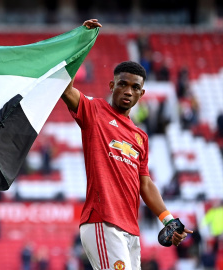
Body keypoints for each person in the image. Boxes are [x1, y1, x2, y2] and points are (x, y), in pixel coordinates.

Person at [60, 19, 193, 270]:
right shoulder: (94, 110)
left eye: (135, 87)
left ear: (142, 94)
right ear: (112, 85)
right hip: (102, 221)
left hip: (131, 230)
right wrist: (79, 42)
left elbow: (145, 182)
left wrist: (168, 219)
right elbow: (63, 87)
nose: (128, 91)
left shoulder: (140, 137)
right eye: (122, 84)